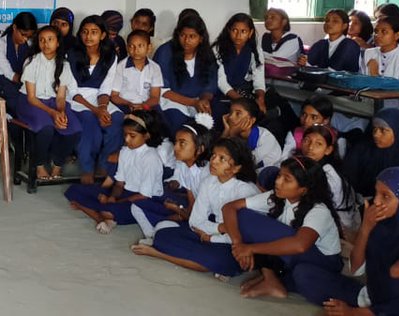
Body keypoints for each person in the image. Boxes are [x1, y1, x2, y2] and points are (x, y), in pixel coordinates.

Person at [305, 166, 399, 315]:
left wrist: (352, 312)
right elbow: (356, 269)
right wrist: (365, 229)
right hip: (371, 295)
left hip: (392, 310)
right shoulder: (380, 224)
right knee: (305, 275)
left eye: (385, 196)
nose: (376, 201)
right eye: (376, 193)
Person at [133, 138, 261, 278]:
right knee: (162, 236)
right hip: (211, 232)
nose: (213, 161)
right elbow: (195, 221)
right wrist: (218, 229)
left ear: (236, 168)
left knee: (214, 260)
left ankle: (159, 254)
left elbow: (244, 234)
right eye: (213, 155)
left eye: (222, 158)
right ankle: (208, 262)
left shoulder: (245, 190)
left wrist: (211, 238)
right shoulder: (209, 182)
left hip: (235, 244)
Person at [221, 155, 342, 301]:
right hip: (295, 259)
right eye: (279, 175)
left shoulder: (318, 210)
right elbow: (230, 207)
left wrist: (250, 249)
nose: (278, 182)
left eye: (287, 179)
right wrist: (238, 243)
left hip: (323, 262)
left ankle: (272, 279)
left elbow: (300, 245)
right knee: (243, 216)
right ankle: (271, 278)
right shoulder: (277, 196)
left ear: (303, 189)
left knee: (255, 225)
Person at [65, 111, 165, 234]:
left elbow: (144, 195)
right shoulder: (125, 151)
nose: (127, 139)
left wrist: (114, 201)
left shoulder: (150, 157)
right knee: (73, 190)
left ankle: (96, 214)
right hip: (125, 193)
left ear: (146, 136)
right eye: (125, 134)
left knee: (109, 210)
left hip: (144, 200)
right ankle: (101, 217)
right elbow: (119, 184)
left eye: (132, 136)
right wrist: (112, 197)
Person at [14, 25, 83, 181]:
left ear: (58, 43)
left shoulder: (64, 64)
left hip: (53, 102)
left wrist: (61, 112)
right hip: (31, 103)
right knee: (47, 128)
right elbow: (31, 98)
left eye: (50, 39)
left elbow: (60, 97)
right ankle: (39, 164)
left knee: (73, 128)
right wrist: (52, 113)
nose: (46, 44)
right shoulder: (31, 62)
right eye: (42, 40)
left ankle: (57, 164)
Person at [129, 120, 212, 243]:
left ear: (199, 149)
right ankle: (153, 235)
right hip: (192, 214)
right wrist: (177, 212)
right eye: (176, 142)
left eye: (182, 143)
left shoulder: (207, 174)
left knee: (164, 225)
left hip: (208, 220)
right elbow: (191, 207)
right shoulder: (183, 166)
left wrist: (177, 210)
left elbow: (198, 218)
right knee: (137, 205)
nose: (176, 148)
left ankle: (158, 235)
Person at [67, 15, 122, 183]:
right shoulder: (71, 54)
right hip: (76, 100)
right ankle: (87, 168)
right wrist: (96, 110)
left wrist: (103, 108)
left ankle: (105, 164)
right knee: (89, 120)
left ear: (103, 35)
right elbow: (72, 90)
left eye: (94, 32)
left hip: (99, 98)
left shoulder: (110, 56)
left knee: (117, 119)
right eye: (84, 32)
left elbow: (105, 88)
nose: (88, 36)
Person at [156, 16, 218, 137]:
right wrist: (193, 102)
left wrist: (204, 100)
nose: (186, 40)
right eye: (182, 35)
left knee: (212, 122)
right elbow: (162, 90)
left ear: (201, 38)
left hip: (198, 102)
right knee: (178, 124)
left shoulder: (207, 54)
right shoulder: (165, 52)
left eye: (192, 36)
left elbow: (210, 87)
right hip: (172, 102)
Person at [343, 109, 399, 199]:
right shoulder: (361, 150)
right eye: (374, 129)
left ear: (398, 132)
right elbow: (347, 179)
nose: (376, 134)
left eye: (383, 130)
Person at [213, 13, 267, 119]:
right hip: (221, 93)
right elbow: (221, 82)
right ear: (229, 30)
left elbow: (259, 77)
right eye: (234, 30)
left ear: (250, 33)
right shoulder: (217, 49)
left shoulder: (255, 49)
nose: (238, 35)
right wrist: (243, 102)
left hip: (242, 90)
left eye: (243, 31)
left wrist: (260, 99)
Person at [0, 11, 38, 112]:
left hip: (21, 82)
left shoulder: (29, 45)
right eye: (23, 35)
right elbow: (10, 74)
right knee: (20, 101)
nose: (25, 39)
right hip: (5, 83)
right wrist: (28, 84)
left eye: (29, 37)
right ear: (14, 27)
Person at [222, 97, 283, 170]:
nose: (231, 117)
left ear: (252, 120)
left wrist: (233, 135)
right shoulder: (233, 133)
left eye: (238, 113)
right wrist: (226, 131)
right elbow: (217, 154)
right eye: (230, 113)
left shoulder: (266, 138)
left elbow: (243, 163)